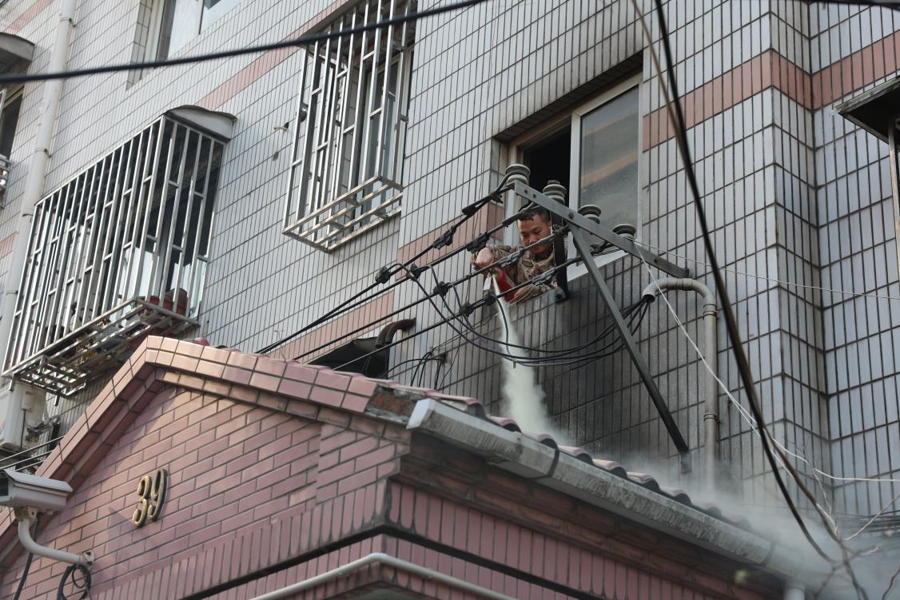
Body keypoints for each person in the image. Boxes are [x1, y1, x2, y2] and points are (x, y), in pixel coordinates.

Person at [472, 206, 557, 302]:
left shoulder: (566, 249)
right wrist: (485, 251)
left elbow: (565, 286)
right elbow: (497, 253)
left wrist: (536, 290)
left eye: (537, 232)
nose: (532, 240)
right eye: (525, 235)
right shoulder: (519, 255)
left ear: (550, 225)